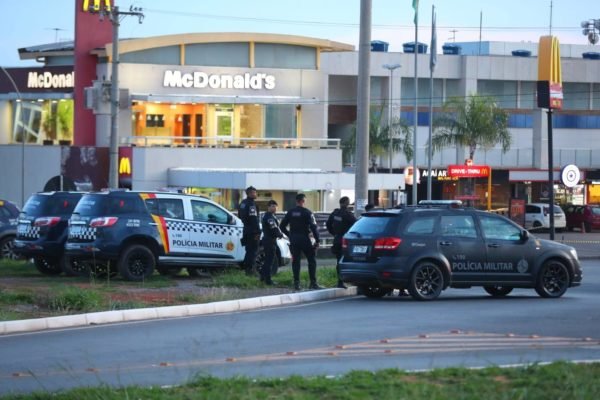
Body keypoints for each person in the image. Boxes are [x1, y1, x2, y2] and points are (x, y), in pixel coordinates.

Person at [280, 193, 321, 291]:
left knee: (296, 262)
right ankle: (313, 283)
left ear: (296, 201)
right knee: (311, 260)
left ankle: (297, 284)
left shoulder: (290, 212)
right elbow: (314, 227)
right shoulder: (308, 212)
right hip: (305, 239)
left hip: (294, 239)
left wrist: (290, 235)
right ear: (303, 201)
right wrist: (317, 240)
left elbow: (282, 226)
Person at [326, 196, 357, 288]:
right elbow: (356, 225)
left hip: (337, 239)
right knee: (348, 261)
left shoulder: (335, 213)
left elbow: (328, 224)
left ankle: (340, 281)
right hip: (346, 241)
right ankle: (346, 280)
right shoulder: (348, 214)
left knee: (339, 261)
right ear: (347, 203)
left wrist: (334, 233)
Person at [238, 186, 261, 275]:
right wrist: (258, 232)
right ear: (250, 193)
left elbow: (240, 216)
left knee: (248, 250)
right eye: (254, 192)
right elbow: (254, 219)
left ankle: (247, 269)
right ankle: (250, 270)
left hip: (246, 229)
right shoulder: (251, 204)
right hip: (253, 231)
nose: (255, 194)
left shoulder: (242, 203)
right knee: (253, 251)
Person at [260, 199, 283, 285]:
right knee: (269, 261)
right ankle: (268, 280)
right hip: (270, 241)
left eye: (275, 206)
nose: (274, 208)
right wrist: (280, 235)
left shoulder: (271, 216)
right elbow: (273, 228)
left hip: (269, 240)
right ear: (268, 207)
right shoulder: (269, 217)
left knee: (268, 260)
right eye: (272, 206)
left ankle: (263, 277)